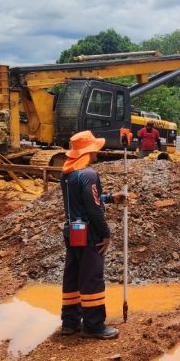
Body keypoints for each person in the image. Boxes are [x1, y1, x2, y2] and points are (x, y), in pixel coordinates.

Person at [60, 131, 127, 339]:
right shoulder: (88, 174)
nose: (98, 152)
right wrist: (105, 233)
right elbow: (93, 209)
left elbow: (84, 200)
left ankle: (70, 322)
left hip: (72, 232)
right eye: (95, 148)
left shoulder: (68, 173)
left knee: (73, 276)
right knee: (92, 278)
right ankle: (94, 325)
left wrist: (110, 197)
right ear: (88, 151)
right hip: (89, 234)